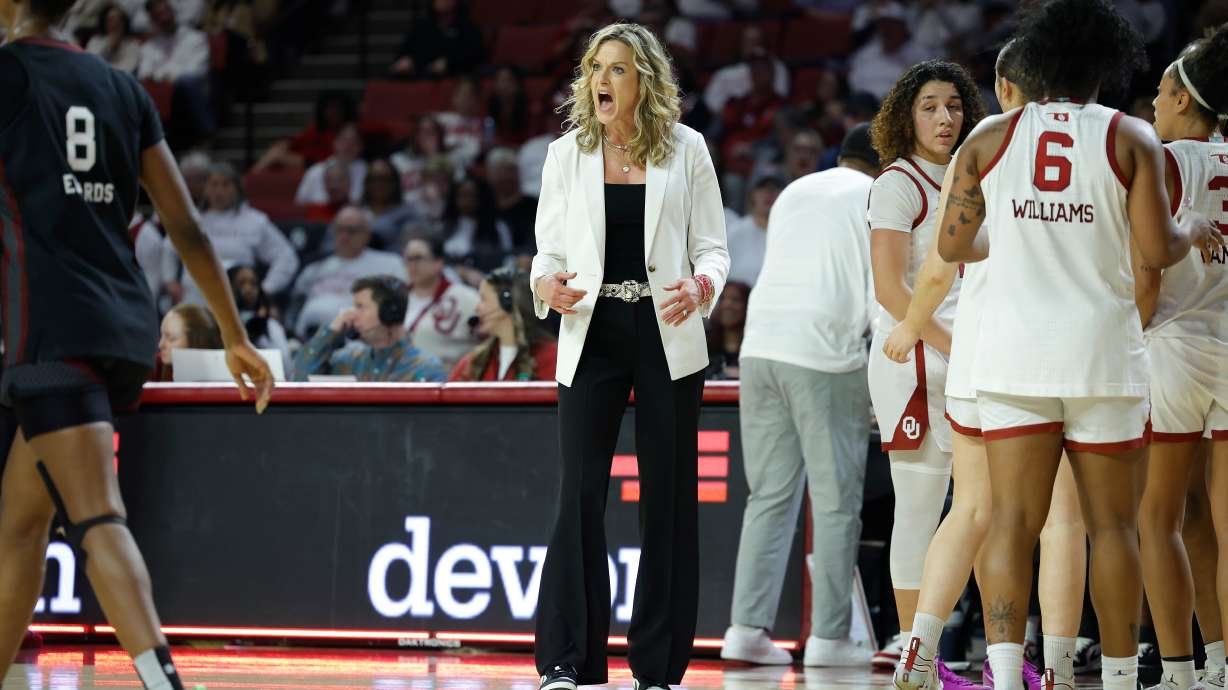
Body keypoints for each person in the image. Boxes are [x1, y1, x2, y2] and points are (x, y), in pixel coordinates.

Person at [934, 1, 1217, 688]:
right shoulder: (1131, 137)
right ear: (1105, 69)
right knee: (1113, 528)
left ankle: (1005, 676)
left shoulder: (987, 139)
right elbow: (1158, 249)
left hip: (1012, 355)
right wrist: (1192, 226)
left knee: (1011, 522)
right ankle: (1119, 676)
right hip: (1101, 355)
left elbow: (953, 245)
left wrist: (1010, 237)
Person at [0, 1, 272, 687]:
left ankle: (163, 681)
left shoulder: (10, 73)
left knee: (96, 517)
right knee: (20, 527)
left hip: (53, 329)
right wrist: (235, 336)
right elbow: (188, 227)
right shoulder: (123, 88)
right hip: (124, 322)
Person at [881, 40, 1087, 690]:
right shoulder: (1109, 142)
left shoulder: (981, 149)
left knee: (968, 509)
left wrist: (912, 326)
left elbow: (942, 260)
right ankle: (1046, 669)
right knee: (1061, 521)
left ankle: (917, 650)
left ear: (1001, 88)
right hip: (1056, 351)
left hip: (975, 349)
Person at [529, 22, 729, 690]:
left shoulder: (687, 148)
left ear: (644, 79)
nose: (602, 81)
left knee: (667, 500)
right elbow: (547, 252)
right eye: (595, 69)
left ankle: (658, 667)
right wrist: (543, 283)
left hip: (665, 329)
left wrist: (702, 287)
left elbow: (713, 249)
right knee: (578, 496)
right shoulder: (566, 155)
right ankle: (568, 662)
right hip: (591, 328)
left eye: (617, 69)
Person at [719, 123, 880, 669]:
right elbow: (881, 293)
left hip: (761, 350)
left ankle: (745, 630)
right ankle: (831, 639)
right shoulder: (880, 194)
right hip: (824, 355)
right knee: (836, 504)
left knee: (767, 498)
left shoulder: (797, 189)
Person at [864, 58, 986, 673]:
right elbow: (890, 289)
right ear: (906, 116)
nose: (945, 117)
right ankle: (917, 650)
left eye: (954, 106)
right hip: (912, 359)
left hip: (973, 358)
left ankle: (968, 647)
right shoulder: (896, 182)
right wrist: (951, 346)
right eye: (930, 106)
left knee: (980, 509)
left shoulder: (977, 174)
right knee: (919, 506)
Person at [1138, 25, 1228, 690]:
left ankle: (1179, 669)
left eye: (1163, 92)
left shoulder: (1164, 162)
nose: (1154, 101)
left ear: (1185, 101)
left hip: (1171, 345)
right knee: (1216, 519)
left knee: (1160, 517)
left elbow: (1147, 264)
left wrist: (1132, 327)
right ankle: (1222, 661)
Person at [163, 162, 299, 306]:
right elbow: (168, 248)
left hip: (237, 300)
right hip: (194, 299)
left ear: (237, 188)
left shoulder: (255, 221)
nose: (219, 191)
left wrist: (265, 289)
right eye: (214, 184)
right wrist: (170, 281)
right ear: (206, 188)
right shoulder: (191, 220)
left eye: (225, 184)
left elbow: (286, 256)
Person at [292, 275, 446, 382]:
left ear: (389, 313)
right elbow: (300, 379)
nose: (350, 314)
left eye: (360, 307)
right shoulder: (349, 359)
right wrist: (330, 333)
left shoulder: (425, 368)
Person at [290, 206, 406, 337]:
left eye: (351, 231)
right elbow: (295, 303)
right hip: (308, 338)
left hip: (358, 339)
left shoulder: (389, 263)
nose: (344, 236)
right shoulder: (316, 265)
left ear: (367, 234)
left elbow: (401, 302)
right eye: (340, 229)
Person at [449, 268, 557, 381]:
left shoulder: (552, 357)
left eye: (483, 299)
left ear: (507, 302)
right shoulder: (473, 362)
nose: (477, 308)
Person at [402, 235, 479, 373]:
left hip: (450, 383)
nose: (412, 265)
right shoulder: (398, 297)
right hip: (404, 382)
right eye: (408, 259)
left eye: (418, 258)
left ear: (438, 262)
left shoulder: (466, 298)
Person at [228, 265, 292, 374]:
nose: (248, 289)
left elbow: (285, 366)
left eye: (253, 283)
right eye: (241, 283)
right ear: (228, 287)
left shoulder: (271, 326)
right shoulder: (217, 324)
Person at [725, 176, 781, 287]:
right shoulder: (734, 231)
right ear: (752, 194)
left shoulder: (789, 235)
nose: (769, 193)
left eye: (776, 188)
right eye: (762, 188)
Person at [295, 122, 366, 206]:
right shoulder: (314, 171)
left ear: (361, 146)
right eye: (344, 140)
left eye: (353, 141)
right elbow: (300, 203)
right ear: (334, 142)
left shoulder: (368, 172)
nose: (348, 146)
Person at [85, 3, 140, 73]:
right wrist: (108, 47)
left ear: (124, 23)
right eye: (111, 20)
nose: (115, 24)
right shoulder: (95, 41)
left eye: (119, 20)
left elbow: (127, 70)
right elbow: (90, 64)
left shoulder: (133, 45)